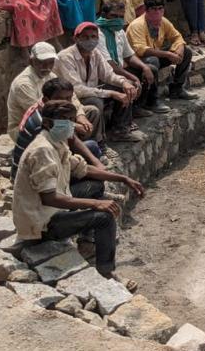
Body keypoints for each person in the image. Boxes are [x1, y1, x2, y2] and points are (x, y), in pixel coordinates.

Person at [13, 100, 144, 281]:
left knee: (95, 185)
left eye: (72, 119)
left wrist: (123, 178)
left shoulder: (56, 141)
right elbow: (50, 198)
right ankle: (106, 272)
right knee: (104, 218)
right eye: (64, 120)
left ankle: (87, 239)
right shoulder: (42, 150)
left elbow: (82, 168)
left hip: (51, 209)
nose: (70, 124)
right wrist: (96, 204)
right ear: (47, 123)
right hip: (42, 224)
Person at [54, 22, 143, 143]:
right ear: (76, 38)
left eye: (93, 37)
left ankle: (120, 130)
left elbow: (108, 75)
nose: (90, 40)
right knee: (95, 101)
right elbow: (77, 89)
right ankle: (99, 141)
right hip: (73, 98)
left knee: (126, 88)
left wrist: (124, 83)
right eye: (85, 37)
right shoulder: (65, 57)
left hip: (91, 91)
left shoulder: (95, 53)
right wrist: (111, 93)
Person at [12, 77, 106, 188]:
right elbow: (58, 162)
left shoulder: (54, 113)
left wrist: (96, 163)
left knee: (92, 147)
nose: (65, 102)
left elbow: (72, 139)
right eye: (59, 99)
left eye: (68, 98)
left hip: (52, 160)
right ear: (46, 100)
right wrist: (94, 171)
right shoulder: (43, 123)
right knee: (95, 185)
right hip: (34, 179)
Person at [6, 42, 96, 142]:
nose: (47, 67)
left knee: (92, 112)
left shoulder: (50, 75)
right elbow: (39, 115)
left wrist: (81, 116)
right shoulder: (23, 84)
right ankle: (76, 146)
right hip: (28, 126)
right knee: (62, 125)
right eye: (42, 62)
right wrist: (74, 126)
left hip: (54, 117)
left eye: (50, 62)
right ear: (31, 61)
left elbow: (72, 97)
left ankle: (90, 144)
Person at [96, 0, 169, 116]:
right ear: (104, 15)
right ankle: (121, 122)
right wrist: (132, 77)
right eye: (114, 16)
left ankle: (140, 106)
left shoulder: (119, 32)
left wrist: (144, 67)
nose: (118, 20)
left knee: (151, 69)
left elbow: (129, 56)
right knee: (128, 82)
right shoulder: (97, 33)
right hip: (104, 76)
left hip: (119, 69)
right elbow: (109, 65)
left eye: (121, 17)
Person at [126, 0, 197, 101]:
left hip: (154, 55)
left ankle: (177, 89)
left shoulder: (163, 21)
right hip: (137, 61)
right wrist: (167, 54)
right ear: (147, 10)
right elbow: (141, 50)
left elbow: (177, 37)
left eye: (160, 8)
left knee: (187, 52)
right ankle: (151, 100)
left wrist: (179, 50)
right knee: (152, 60)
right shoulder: (137, 25)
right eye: (154, 9)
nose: (158, 12)